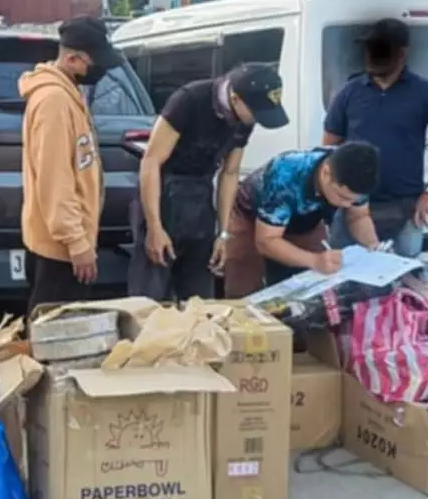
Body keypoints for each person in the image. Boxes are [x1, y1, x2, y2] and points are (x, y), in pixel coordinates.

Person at [128, 63, 289, 301]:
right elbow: (151, 161)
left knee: (199, 300)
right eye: (255, 113)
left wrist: (223, 234)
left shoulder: (244, 120)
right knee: (149, 299)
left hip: (200, 202)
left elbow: (230, 173)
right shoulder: (190, 100)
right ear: (235, 98)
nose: (256, 120)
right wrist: (154, 227)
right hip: (162, 195)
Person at [324, 18, 428, 257]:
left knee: (405, 283)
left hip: (405, 209)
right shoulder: (349, 93)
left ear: (402, 53)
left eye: (381, 50)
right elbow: (328, 148)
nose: (372, 55)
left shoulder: (424, 92)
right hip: (352, 206)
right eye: (370, 49)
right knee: (346, 283)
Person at [19, 16, 121, 314]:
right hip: (59, 248)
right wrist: (76, 242)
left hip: (63, 241)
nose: (98, 70)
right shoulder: (54, 101)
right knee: (56, 334)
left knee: (61, 330)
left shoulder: (68, 93)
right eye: (94, 62)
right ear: (72, 58)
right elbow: (55, 179)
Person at [224, 142, 381, 299]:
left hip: (305, 218)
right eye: (342, 197)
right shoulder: (286, 173)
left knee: (316, 286)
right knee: (244, 288)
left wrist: (373, 246)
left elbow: (358, 216)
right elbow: (266, 241)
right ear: (326, 173)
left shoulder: (357, 175)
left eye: (353, 200)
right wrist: (314, 260)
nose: (347, 205)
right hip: (251, 215)